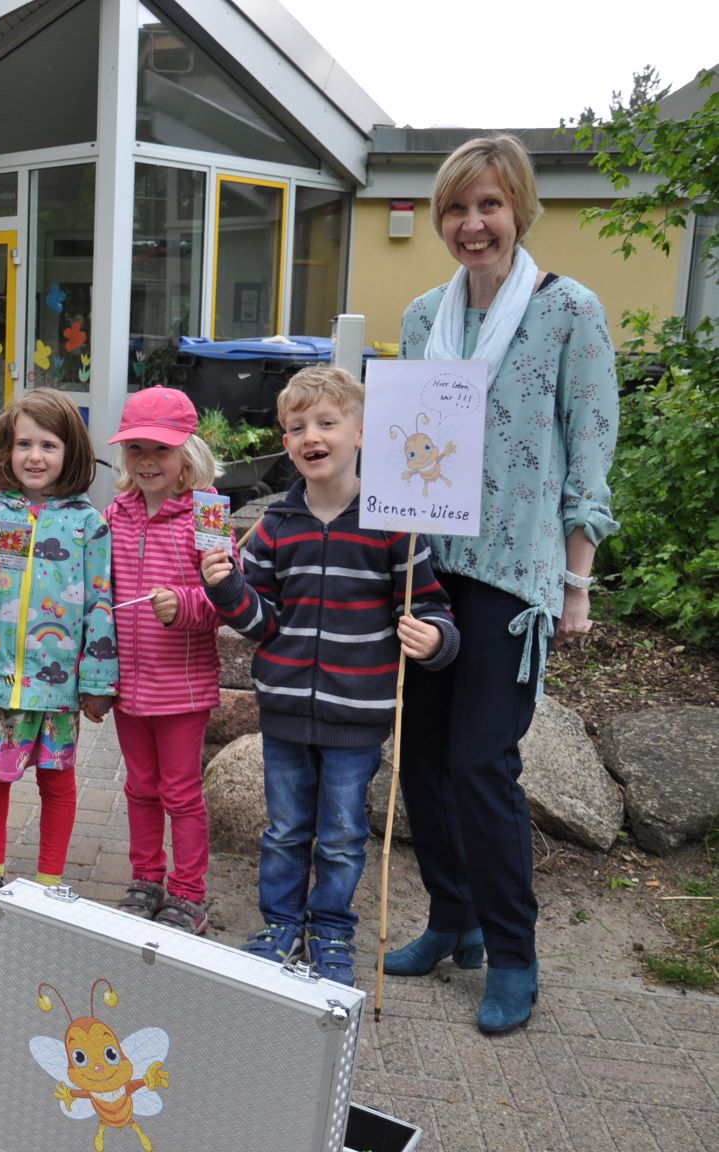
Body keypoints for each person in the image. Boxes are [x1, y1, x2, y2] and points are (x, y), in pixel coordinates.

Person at [386, 134, 618, 1031]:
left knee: (482, 763)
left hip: (515, 578)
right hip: (428, 573)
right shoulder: (419, 317)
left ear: (518, 209)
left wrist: (576, 582)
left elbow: (588, 448)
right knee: (422, 760)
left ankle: (513, 952)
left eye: (487, 205)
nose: (469, 224)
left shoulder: (569, 311)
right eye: (454, 208)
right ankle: (453, 920)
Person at [199, 366, 460, 987]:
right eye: (296, 427)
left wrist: (436, 640)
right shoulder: (274, 526)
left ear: (361, 433)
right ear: (286, 443)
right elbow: (260, 622)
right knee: (286, 829)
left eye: (326, 422)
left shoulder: (395, 521)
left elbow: (431, 606)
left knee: (342, 835)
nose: (310, 435)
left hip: (359, 714)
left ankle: (333, 931)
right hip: (286, 710)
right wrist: (226, 587)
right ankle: (282, 924)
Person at [0, 388, 117, 927]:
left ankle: (48, 884)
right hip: (1, 679)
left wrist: (97, 681)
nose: (35, 456)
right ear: (5, 448)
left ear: (72, 453)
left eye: (49, 444)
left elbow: (100, 605)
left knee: (58, 779)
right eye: (24, 443)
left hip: (61, 685)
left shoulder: (88, 525)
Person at [104, 387, 225, 935]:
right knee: (139, 786)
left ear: (188, 454)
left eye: (161, 449)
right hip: (129, 684)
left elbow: (230, 595)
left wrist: (187, 605)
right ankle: (146, 879)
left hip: (183, 686)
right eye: (135, 450)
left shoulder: (209, 514)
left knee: (181, 792)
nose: (147, 461)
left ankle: (189, 892)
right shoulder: (114, 513)